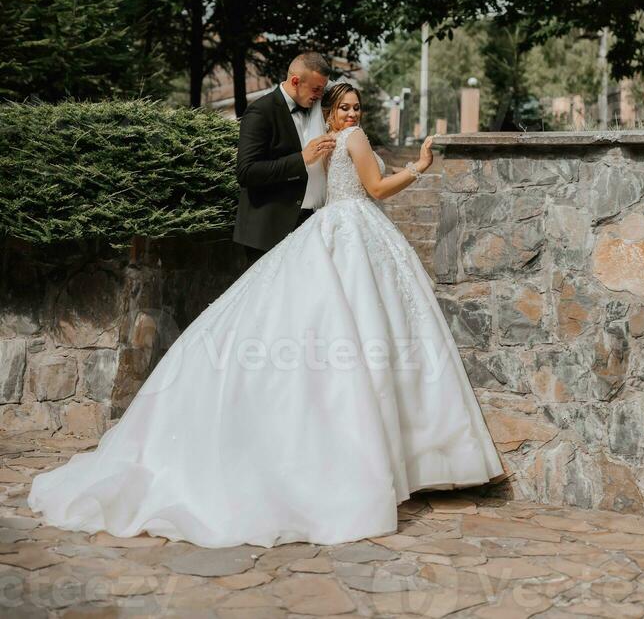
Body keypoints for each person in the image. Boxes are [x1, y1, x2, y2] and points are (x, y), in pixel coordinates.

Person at [27, 82, 504, 549]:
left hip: (331, 227)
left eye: (358, 109)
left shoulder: (323, 144)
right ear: (332, 112)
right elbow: (377, 188)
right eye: (346, 109)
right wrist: (420, 168)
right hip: (355, 230)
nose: (354, 116)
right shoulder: (353, 141)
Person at [233, 51, 335, 266]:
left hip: (310, 224)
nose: (320, 95)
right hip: (267, 231)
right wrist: (301, 159)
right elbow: (246, 172)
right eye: (316, 89)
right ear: (296, 81)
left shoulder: (317, 109)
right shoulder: (261, 111)